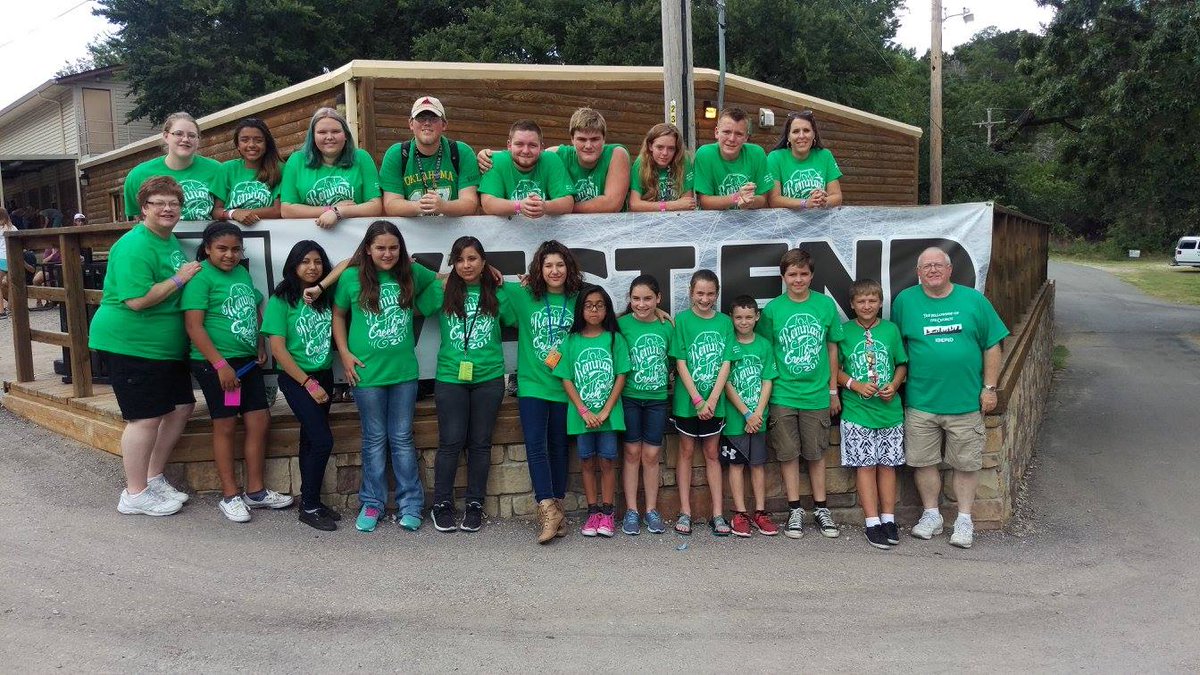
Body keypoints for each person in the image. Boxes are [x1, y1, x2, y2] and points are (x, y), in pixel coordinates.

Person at [89, 177, 202, 516]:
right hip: (132, 343)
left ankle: (153, 477)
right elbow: (137, 300)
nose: (168, 209)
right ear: (144, 209)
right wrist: (180, 278)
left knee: (181, 406)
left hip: (164, 347)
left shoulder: (168, 241)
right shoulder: (134, 245)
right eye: (159, 203)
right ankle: (134, 493)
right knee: (144, 418)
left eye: (174, 203)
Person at [892, 247, 1008, 549]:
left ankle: (964, 520)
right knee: (923, 462)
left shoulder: (974, 300)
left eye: (938, 265)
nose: (932, 270)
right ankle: (931, 515)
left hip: (966, 401)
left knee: (966, 464)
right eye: (926, 266)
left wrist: (990, 388)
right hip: (921, 401)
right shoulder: (905, 301)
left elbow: (993, 345)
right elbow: (897, 347)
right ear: (918, 272)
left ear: (950, 269)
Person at [331, 221, 439, 533]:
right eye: (380, 248)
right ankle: (372, 502)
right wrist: (345, 354)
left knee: (402, 438)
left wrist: (490, 273)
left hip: (404, 373)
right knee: (374, 439)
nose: (387, 253)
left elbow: (444, 280)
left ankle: (411, 503)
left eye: (393, 247)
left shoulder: (410, 273)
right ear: (368, 249)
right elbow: (338, 316)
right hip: (366, 373)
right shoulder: (352, 277)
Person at [182, 221, 293, 522]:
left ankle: (255, 491)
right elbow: (193, 326)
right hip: (219, 366)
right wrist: (220, 365)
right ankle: (230, 494)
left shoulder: (242, 272)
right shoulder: (200, 277)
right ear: (207, 249)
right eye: (222, 249)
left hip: (245, 363)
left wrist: (258, 341)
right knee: (227, 424)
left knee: (259, 420)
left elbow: (253, 307)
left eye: (235, 249)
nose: (229, 255)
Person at [417, 237, 513, 533]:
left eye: (473, 258)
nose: (466, 265)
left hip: (490, 377)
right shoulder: (443, 289)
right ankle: (442, 504)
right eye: (460, 260)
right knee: (451, 442)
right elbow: (419, 307)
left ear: (484, 262)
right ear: (453, 264)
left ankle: (475, 504)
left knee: (480, 444)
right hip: (449, 377)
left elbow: (519, 315)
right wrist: (439, 281)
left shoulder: (499, 292)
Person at [757, 248, 844, 539]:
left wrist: (833, 390)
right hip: (783, 392)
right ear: (783, 277)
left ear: (812, 275)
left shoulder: (824, 306)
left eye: (803, 274)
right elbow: (766, 352)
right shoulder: (772, 310)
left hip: (817, 393)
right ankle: (795, 508)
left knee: (816, 453)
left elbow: (833, 349)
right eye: (792, 274)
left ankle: (821, 507)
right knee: (788, 453)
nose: (798, 279)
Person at [503, 240, 583, 543]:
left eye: (560, 265)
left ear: (569, 267)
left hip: (565, 385)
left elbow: (608, 320)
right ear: (538, 268)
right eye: (548, 265)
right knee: (536, 445)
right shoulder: (524, 296)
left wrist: (659, 316)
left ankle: (558, 507)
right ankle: (548, 509)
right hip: (533, 384)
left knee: (560, 446)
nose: (554, 270)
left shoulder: (579, 298)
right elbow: (489, 280)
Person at [261, 240, 341, 531]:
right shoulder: (282, 299)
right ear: (293, 265)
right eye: (305, 261)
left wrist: (322, 285)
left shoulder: (325, 295)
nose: (312, 267)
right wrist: (308, 383)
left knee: (310, 440)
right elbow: (279, 351)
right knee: (322, 441)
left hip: (324, 375)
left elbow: (350, 262)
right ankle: (308, 505)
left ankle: (312, 502)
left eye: (318, 261)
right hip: (297, 378)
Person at [554, 284, 630, 537]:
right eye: (588, 305)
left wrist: (607, 410)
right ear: (581, 310)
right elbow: (566, 378)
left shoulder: (614, 339)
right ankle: (593, 512)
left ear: (607, 309)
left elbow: (621, 375)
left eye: (600, 305)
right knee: (586, 462)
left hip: (607, 415)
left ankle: (607, 513)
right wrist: (584, 410)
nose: (594, 310)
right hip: (582, 416)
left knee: (607, 461)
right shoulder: (571, 340)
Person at [836, 279, 907, 549]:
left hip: (889, 410)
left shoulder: (890, 330)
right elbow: (836, 369)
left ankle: (889, 518)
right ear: (852, 305)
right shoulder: (844, 332)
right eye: (861, 301)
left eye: (872, 301)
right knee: (865, 466)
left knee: (888, 465)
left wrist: (895, 385)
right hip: (858, 411)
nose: (867, 306)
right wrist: (855, 385)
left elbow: (901, 364)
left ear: (880, 303)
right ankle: (872, 521)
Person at [670, 269, 735, 535]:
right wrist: (697, 399)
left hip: (714, 401)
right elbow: (680, 362)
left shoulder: (725, 323)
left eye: (710, 294)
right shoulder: (682, 320)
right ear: (691, 293)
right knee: (685, 453)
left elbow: (726, 363)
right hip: (689, 401)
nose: (705, 299)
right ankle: (685, 511)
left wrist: (713, 399)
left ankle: (717, 514)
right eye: (700, 293)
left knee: (711, 455)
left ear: (717, 294)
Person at [616, 275, 672, 535]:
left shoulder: (666, 326)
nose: (642, 304)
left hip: (657, 399)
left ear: (658, 299)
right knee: (631, 454)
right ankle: (631, 510)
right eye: (636, 298)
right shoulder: (620, 325)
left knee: (651, 455)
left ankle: (650, 509)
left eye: (648, 298)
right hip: (628, 397)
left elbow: (673, 362)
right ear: (629, 299)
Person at [721, 295, 779, 538]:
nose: (743, 322)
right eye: (738, 317)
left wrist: (757, 413)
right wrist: (745, 413)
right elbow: (726, 383)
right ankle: (740, 513)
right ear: (731, 319)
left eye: (748, 317)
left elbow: (767, 380)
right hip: (736, 418)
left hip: (758, 418)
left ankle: (760, 511)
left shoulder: (764, 345)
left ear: (757, 317)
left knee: (757, 465)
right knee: (736, 465)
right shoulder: (728, 344)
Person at [280, 107, 383, 229]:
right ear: (313, 137)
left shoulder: (361, 157)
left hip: (355, 235)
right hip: (310, 236)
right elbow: (287, 210)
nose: (329, 137)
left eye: (335, 131)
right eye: (322, 132)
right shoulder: (297, 160)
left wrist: (339, 212)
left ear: (345, 135)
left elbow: (375, 207)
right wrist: (330, 209)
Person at [380, 96, 481, 217]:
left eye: (433, 118)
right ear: (411, 124)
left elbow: (470, 203)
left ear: (444, 124)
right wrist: (418, 206)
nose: (427, 123)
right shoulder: (397, 154)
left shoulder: (461, 152)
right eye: (421, 118)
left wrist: (444, 206)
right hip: (412, 233)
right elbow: (390, 204)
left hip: (452, 232)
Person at [123, 112, 221, 222]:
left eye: (192, 135)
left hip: (206, 237)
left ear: (198, 140)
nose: (185, 139)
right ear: (166, 136)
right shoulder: (138, 175)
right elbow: (136, 219)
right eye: (179, 134)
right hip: (159, 238)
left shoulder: (218, 170)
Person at [478, 120, 574, 218]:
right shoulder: (495, 161)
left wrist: (545, 207)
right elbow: (488, 203)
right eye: (519, 144)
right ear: (509, 145)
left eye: (532, 145)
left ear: (541, 147)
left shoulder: (551, 159)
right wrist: (519, 206)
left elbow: (568, 202)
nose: (525, 151)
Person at [546, 108, 630, 213]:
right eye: (582, 139)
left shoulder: (616, 153)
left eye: (595, 139)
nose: (588, 146)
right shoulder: (555, 155)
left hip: (609, 227)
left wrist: (563, 207)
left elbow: (612, 204)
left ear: (604, 139)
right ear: (572, 139)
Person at [693, 107, 774, 210]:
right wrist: (737, 197)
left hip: (748, 221)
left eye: (739, 134)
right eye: (726, 132)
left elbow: (763, 199)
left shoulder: (757, 153)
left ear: (746, 137)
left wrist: (749, 201)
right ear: (717, 132)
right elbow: (704, 202)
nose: (732, 139)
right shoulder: (705, 154)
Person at [212, 118, 284, 225]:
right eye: (244, 140)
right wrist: (233, 213)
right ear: (238, 145)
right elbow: (216, 211)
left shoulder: (280, 168)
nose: (251, 145)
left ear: (266, 144)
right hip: (232, 234)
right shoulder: (227, 168)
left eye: (258, 140)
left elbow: (278, 211)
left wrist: (244, 214)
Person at [767, 111, 843, 210]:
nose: (801, 136)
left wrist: (823, 201)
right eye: (796, 131)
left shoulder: (825, 155)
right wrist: (805, 203)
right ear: (789, 137)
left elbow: (837, 197)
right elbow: (773, 200)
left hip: (820, 221)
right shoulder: (775, 157)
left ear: (814, 134)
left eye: (806, 130)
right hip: (787, 224)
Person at [627, 123, 695, 212]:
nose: (665, 153)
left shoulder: (683, 161)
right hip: (648, 221)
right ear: (650, 146)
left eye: (671, 148)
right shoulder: (641, 163)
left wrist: (652, 206)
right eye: (660, 147)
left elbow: (687, 204)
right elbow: (634, 204)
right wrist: (670, 205)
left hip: (677, 220)